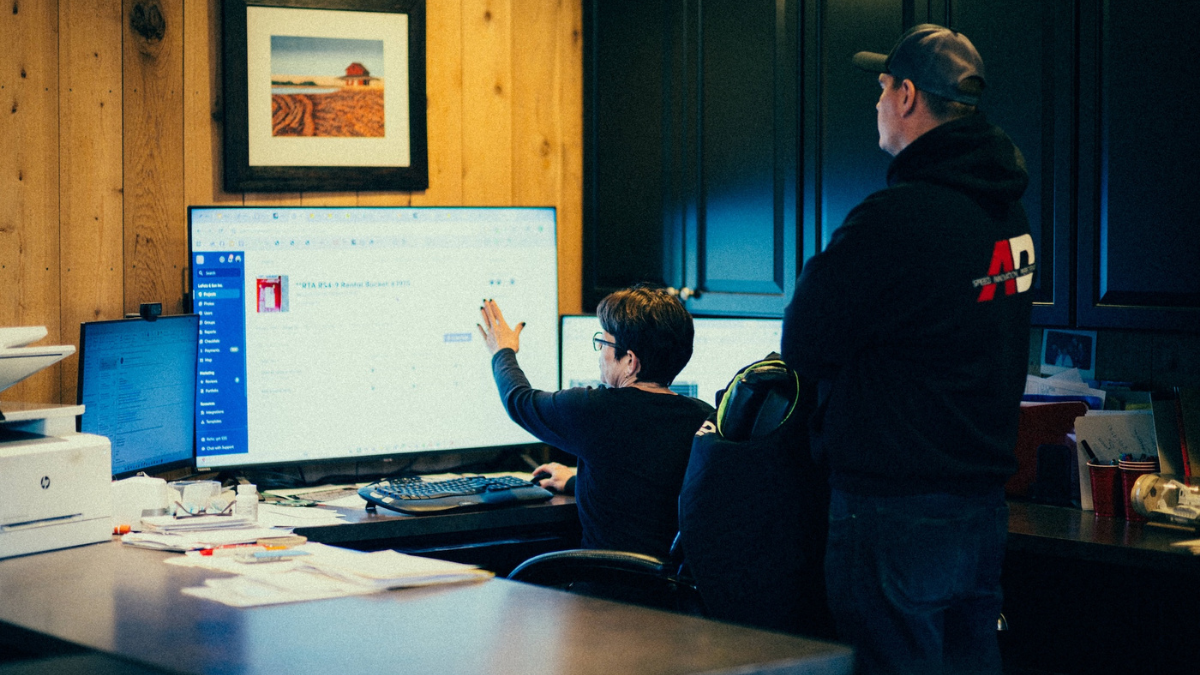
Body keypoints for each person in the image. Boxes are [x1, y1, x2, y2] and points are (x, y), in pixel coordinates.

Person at [781, 24, 1035, 675]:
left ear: (908, 96)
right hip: (981, 510)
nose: (876, 103)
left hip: (894, 512)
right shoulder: (1008, 217)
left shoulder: (895, 220)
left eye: (882, 87)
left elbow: (803, 339)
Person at [477, 285, 714, 560]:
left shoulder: (596, 410)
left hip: (607, 591)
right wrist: (576, 481)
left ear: (630, 361)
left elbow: (519, 401)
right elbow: (645, 490)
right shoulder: (702, 418)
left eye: (605, 343)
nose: (600, 351)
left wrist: (502, 351)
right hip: (673, 596)